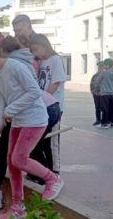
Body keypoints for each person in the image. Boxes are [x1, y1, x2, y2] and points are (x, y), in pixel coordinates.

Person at [0, 36, 64, 219]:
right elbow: (0, 103)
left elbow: (34, 91)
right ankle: (17, 207)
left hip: (34, 119)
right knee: (12, 163)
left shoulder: (14, 66)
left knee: (19, 159)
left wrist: (11, 109)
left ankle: (53, 179)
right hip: (18, 121)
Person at [30, 34, 67, 174]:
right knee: (43, 140)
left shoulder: (55, 59)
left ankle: (55, 170)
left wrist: (44, 99)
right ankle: (46, 169)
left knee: (52, 140)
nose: (35, 52)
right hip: (42, 106)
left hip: (54, 106)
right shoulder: (41, 62)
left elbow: (55, 83)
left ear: (45, 46)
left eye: (36, 49)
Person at [96, 59, 113, 129]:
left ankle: (104, 123)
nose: (103, 66)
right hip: (112, 93)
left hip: (104, 93)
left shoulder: (103, 73)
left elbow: (97, 81)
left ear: (107, 65)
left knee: (104, 109)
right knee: (112, 108)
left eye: (104, 64)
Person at [90, 61, 104, 126]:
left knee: (103, 107)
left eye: (101, 66)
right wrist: (92, 91)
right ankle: (98, 120)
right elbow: (92, 83)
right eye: (98, 66)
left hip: (103, 94)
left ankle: (104, 120)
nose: (99, 67)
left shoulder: (104, 75)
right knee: (97, 107)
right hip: (96, 94)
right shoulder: (95, 75)